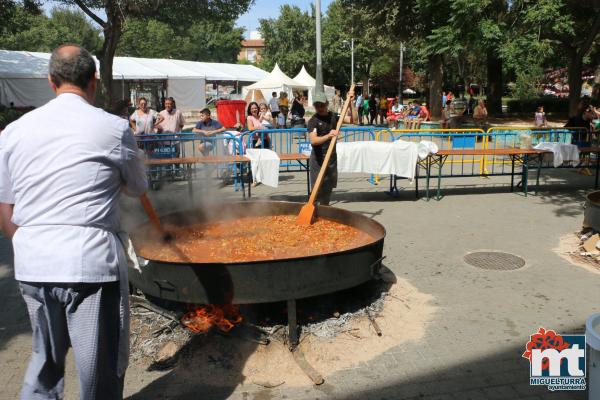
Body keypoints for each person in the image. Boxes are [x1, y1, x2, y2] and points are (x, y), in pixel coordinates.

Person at [0, 44, 147, 400]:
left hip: (32, 263)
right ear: (94, 81)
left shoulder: (13, 132)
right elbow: (137, 188)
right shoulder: (114, 128)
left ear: (51, 81)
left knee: (44, 365)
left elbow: (6, 209)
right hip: (90, 266)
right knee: (98, 371)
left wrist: (26, 247)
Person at [307, 91, 347, 205]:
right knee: (316, 190)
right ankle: (312, 213)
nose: (320, 108)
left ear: (327, 104)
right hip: (318, 160)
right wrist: (329, 135)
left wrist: (351, 103)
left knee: (327, 191)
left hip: (331, 159)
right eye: (317, 105)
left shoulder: (334, 116)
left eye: (322, 105)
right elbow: (314, 141)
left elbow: (353, 119)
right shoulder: (313, 121)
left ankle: (325, 214)